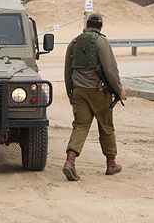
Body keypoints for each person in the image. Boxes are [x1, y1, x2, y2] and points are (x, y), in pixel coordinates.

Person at [62, 12, 127, 181]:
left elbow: (67, 71)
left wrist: (70, 92)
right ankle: (111, 164)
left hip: (78, 92)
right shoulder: (102, 41)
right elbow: (110, 70)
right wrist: (119, 90)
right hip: (99, 93)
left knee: (80, 126)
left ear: (86, 24)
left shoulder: (74, 42)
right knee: (106, 127)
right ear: (101, 27)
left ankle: (70, 161)